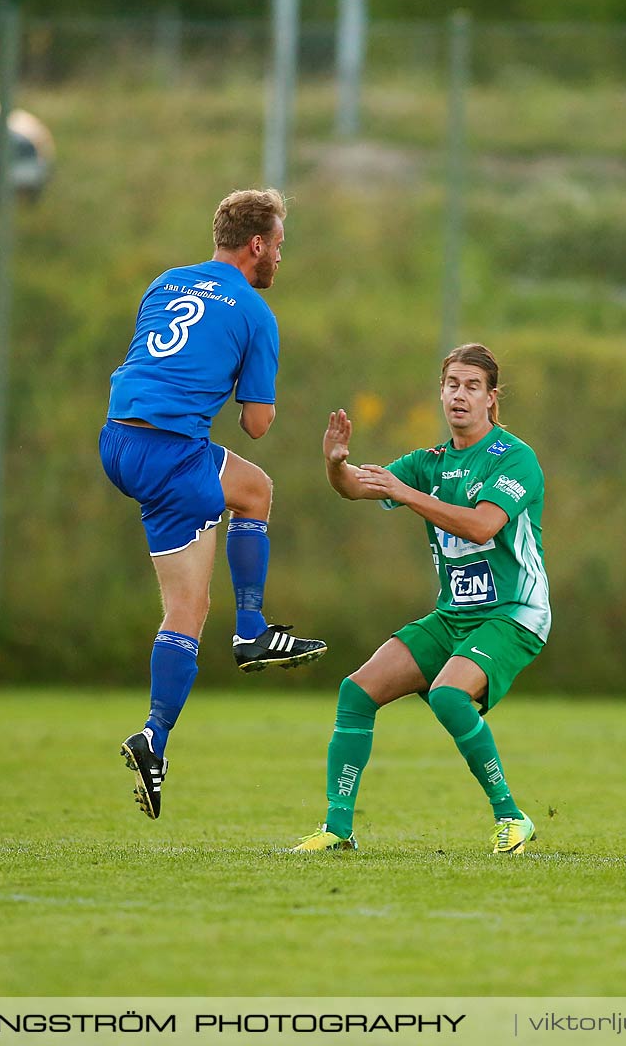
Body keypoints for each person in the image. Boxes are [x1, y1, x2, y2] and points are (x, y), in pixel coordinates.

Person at [101, 187, 325, 821]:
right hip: (171, 452)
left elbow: (155, 362)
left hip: (119, 439)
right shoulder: (256, 313)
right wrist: (248, 383)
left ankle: (155, 738)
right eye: (279, 245)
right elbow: (256, 423)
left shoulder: (166, 281)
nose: (281, 256)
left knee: (198, 588)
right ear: (257, 245)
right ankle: (251, 633)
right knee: (249, 501)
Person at [292, 343, 549, 855]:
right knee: (357, 692)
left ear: (491, 399)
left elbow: (481, 527)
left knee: (449, 696)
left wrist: (406, 494)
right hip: (454, 615)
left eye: (472, 386)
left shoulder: (515, 458)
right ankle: (338, 831)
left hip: (514, 613)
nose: (460, 395)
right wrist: (335, 464)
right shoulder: (429, 462)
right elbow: (355, 487)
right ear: (441, 391)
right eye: (452, 384)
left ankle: (513, 818)